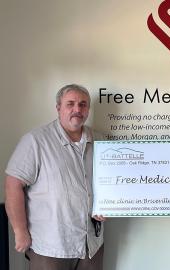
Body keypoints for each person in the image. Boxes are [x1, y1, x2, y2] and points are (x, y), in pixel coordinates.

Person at [5, 84, 105, 270]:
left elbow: (110, 185)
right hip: (51, 245)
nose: (77, 109)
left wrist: (107, 206)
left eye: (83, 104)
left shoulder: (100, 141)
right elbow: (13, 184)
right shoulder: (36, 140)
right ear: (58, 107)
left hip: (91, 243)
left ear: (88, 110)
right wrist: (20, 231)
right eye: (70, 104)